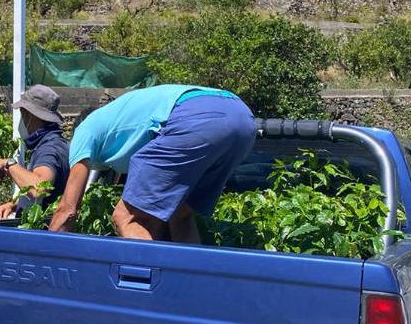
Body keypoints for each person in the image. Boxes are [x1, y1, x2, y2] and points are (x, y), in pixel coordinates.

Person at [49, 84, 256, 243]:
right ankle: (190, 291)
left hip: (194, 116)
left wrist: (46, 255)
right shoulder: (118, 122)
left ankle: (153, 296)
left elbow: (67, 210)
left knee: (126, 217)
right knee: (181, 215)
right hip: (242, 117)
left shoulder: (83, 132)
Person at [0, 85, 70, 219]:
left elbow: (39, 188)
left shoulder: (49, 149)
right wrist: (13, 204)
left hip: (41, 235)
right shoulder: (56, 143)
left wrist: (9, 163)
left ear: (30, 115)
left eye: (23, 114)